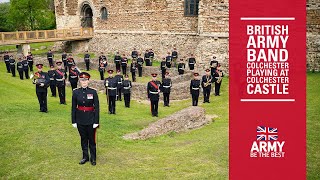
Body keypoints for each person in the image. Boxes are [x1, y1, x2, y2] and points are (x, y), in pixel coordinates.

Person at [71, 72, 99, 166]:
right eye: (82, 80)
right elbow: (73, 107)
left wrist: (96, 121)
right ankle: (85, 157)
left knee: (91, 140)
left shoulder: (93, 92)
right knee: (83, 139)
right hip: (80, 119)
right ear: (79, 81)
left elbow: (97, 108)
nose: (84, 82)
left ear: (88, 81)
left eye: (85, 80)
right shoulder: (75, 92)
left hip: (91, 119)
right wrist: (73, 120)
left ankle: (93, 158)